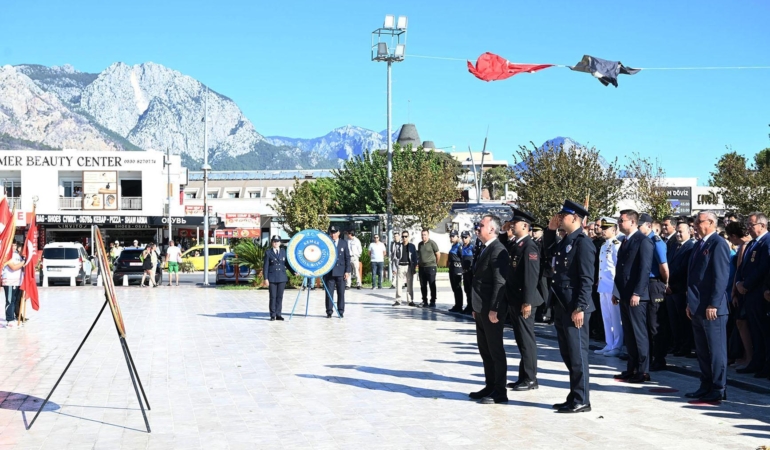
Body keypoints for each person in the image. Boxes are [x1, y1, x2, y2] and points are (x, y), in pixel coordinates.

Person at [544, 200, 596, 413]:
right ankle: (575, 394)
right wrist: (550, 230)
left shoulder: (582, 243)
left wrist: (580, 307)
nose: (559, 218)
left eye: (562, 215)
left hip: (575, 307)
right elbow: (547, 253)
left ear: (575, 217)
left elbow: (586, 279)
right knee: (568, 354)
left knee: (578, 355)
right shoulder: (567, 240)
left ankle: (582, 399)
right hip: (562, 305)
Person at [684, 211, 731, 402]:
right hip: (697, 306)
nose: (695, 224)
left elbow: (721, 277)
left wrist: (713, 303)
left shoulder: (718, 244)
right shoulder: (699, 244)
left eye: (698, 221)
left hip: (712, 308)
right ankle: (706, 384)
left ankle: (719, 388)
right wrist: (690, 302)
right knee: (702, 350)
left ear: (711, 222)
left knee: (716, 351)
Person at [468, 214, 509, 405]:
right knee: (485, 350)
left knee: (495, 351)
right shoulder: (485, 248)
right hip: (481, 308)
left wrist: (495, 308)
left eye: (481, 225)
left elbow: (500, 282)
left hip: (491, 310)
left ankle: (500, 392)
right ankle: (490, 385)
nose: (478, 228)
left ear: (492, 229)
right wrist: (476, 307)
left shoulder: (498, 249)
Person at [504, 209, 544, 391]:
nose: (513, 225)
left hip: (524, 301)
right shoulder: (517, 244)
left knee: (527, 341)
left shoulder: (529, 247)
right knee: (521, 341)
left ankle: (530, 379)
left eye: (516, 223)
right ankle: (524, 377)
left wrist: (527, 302)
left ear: (525, 226)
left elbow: (531, 276)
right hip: (516, 300)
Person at [613, 209, 654, 383]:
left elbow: (644, 270)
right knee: (629, 333)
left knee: (639, 334)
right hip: (624, 294)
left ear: (632, 222)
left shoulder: (643, 241)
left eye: (622, 220)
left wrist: (637, 292)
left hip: (636, 295)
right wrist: (616, 291)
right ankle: (632, 367)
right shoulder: (624, 241)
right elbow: (620, 268)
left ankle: (643, 370)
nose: (619, 223)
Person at [734, 212, 770, 377]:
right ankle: (756, 361)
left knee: (763, 330)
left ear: (762, 226)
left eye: (751, 224)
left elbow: (763, 268)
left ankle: (766, 364)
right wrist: (739, 283)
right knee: (755, 329)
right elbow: (744, 266)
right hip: (748, 293)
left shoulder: (766, 242)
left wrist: (746, 285)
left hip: (758, 293)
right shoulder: (753, 243)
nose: (748, 227)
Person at [639, 213, 671, 372]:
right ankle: (649, 356)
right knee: (645, 324)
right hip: (645, 284)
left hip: (655, 284)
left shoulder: (655, 241)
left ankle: (659, 358)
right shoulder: (644, 240)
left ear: (648, 225)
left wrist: (664, 283)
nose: (638, 228)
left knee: (655, 324)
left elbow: (664, 267)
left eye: (640, 225)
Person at [725, 221, 753, 369]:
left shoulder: (744, 246)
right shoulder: (746, 245)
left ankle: (748, 357)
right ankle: (745, 356)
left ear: (734, 236)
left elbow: (738, 271)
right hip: (741, 290)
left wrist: (734, 291)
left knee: (742, 323)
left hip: (742, 290)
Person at [667, 220, 697, 358]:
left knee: (683, 321)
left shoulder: (690, 247)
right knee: (674, 320)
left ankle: (685, 346)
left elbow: (683, 268)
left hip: (680, 288)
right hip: (669, 289)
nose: (678, 234)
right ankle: (676, 344)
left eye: (681, 232)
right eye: (677, 231)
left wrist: (669, 281)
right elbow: (667, 264)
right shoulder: (674, 246)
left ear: (689, 232)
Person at [596, 217, 623, 357]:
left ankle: (617, 346)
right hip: (603, 285)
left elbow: (617, 268)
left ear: (614, 229)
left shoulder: (617, 244)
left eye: (606, 229)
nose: (603, 231)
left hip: (612, 286)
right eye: (603, 228)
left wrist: (616, 290)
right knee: (606, 316)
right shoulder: (604, 244)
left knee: (615, 317)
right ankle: (609, 343)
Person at [324, 226, 350, 318]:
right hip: (329, 272)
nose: (333, 235)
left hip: (341, 272)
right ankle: (329, 311)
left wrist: (347, 271)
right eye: (331, 233)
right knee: (329, 293)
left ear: (338, 233)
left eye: (334, 233)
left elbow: (347, 258)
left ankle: (341, 311)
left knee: (341, 293)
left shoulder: (344, 243)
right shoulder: (327, 243)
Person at [263, 235, 290, 321]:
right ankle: (272, 315)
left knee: (280, 297)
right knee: (273, 297)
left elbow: (287, 264)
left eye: (277, 241)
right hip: (272, 277)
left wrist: (294, 272)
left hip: (282, 277)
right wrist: (265, 278)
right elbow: (266, 266)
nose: (276, 243)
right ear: (272, 242)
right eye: (274, 241)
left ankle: (279, 314)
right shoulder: (268, 252)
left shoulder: (283, 251)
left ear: (280, 242)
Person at [392, 231, 417, 306]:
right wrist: (394, 268)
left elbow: (415, 257)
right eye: (403, 236)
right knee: (399, 284)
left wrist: (414, 267)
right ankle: (398, 300)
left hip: (409, 266)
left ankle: (410, 300)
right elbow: (395, 257)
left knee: (409, 284)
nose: (404, 238)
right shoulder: (398, 246)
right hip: (400, 266)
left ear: (408, 237)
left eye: (406, 236)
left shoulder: (412, 246)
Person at [3, 244, 24, 329]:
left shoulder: (18, 255)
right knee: (10, 301)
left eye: (15, 245)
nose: (13, 247)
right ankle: (9, 320)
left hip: (17, 282)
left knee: (15, 301)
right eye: (12, 245)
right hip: (9, 282)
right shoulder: (6, 255)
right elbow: (13, 267)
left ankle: (14, 318)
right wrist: (23, 262)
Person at [417, 230, 440, 308]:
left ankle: (433, 301)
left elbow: (438, 254)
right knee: (423, 285)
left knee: (432, 284)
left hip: (431, 267)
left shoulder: (432, 243)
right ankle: (424, 300)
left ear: (428, 235)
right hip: (422, 267)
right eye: (422, 235)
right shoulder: (420, 244)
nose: (423, 236)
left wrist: (435, 263)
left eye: (425, 235)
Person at [447, 230, 464, 312]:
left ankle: (459, 306)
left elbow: (462, 258)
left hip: (457, 269)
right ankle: (457, 304)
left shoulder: (459, 246)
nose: (451, 238)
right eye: (450, 236)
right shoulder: (453, 246)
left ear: (457, 237)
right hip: (452, 269)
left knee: (457, 287)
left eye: (453, 236)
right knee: (454, 288)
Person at [460, 231, 475, 315]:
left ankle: (472, 307)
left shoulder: (472, 246)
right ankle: (468, 305)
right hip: (465, 272)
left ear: (469, 237)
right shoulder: (462, 247)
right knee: (466, 290)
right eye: (463, 237)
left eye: (466, 237)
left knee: (471, 290)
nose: (464, 239)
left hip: (470, 272)